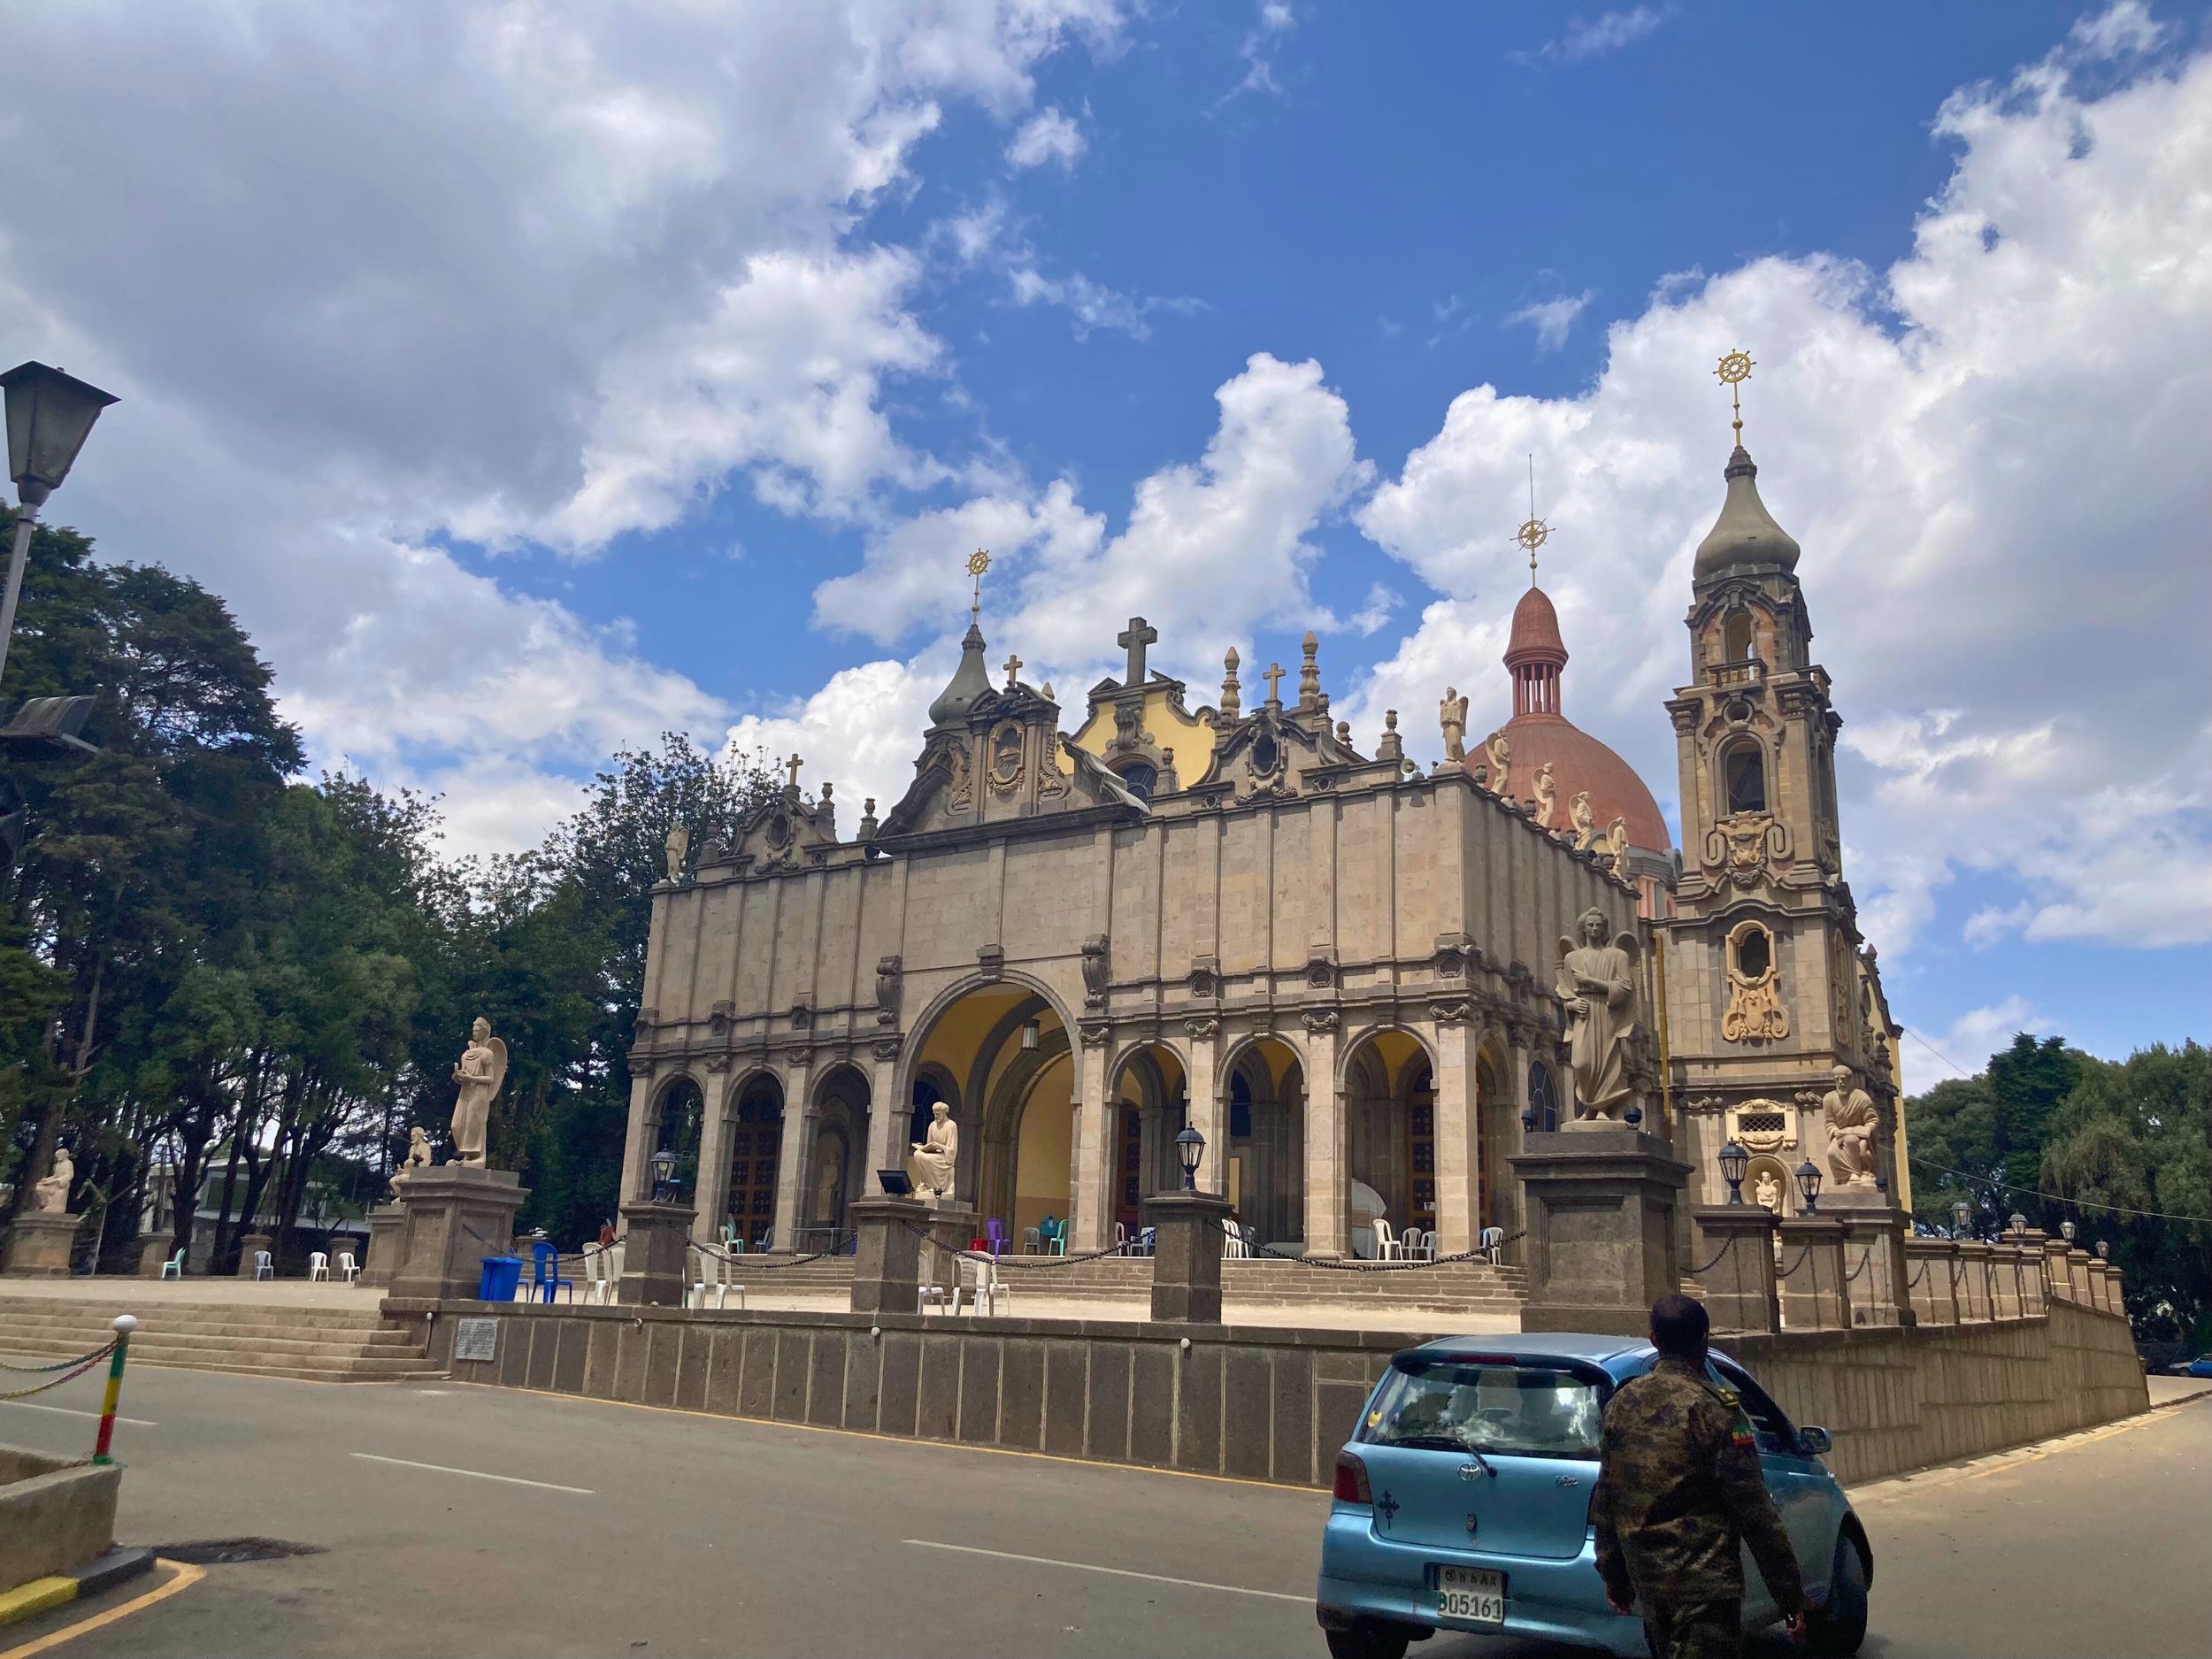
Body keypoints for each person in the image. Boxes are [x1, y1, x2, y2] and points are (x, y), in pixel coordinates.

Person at [1590, 1295, 1806, 1657]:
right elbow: (1754, 1512)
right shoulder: (1714, 1410)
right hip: (1704, 1592)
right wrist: (1790, 1596)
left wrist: (1614, 1575)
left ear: (1654, 1339)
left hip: (1651, 1588)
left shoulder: (1622, 1404)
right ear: (1705, 1340)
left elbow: (1607, 1495)